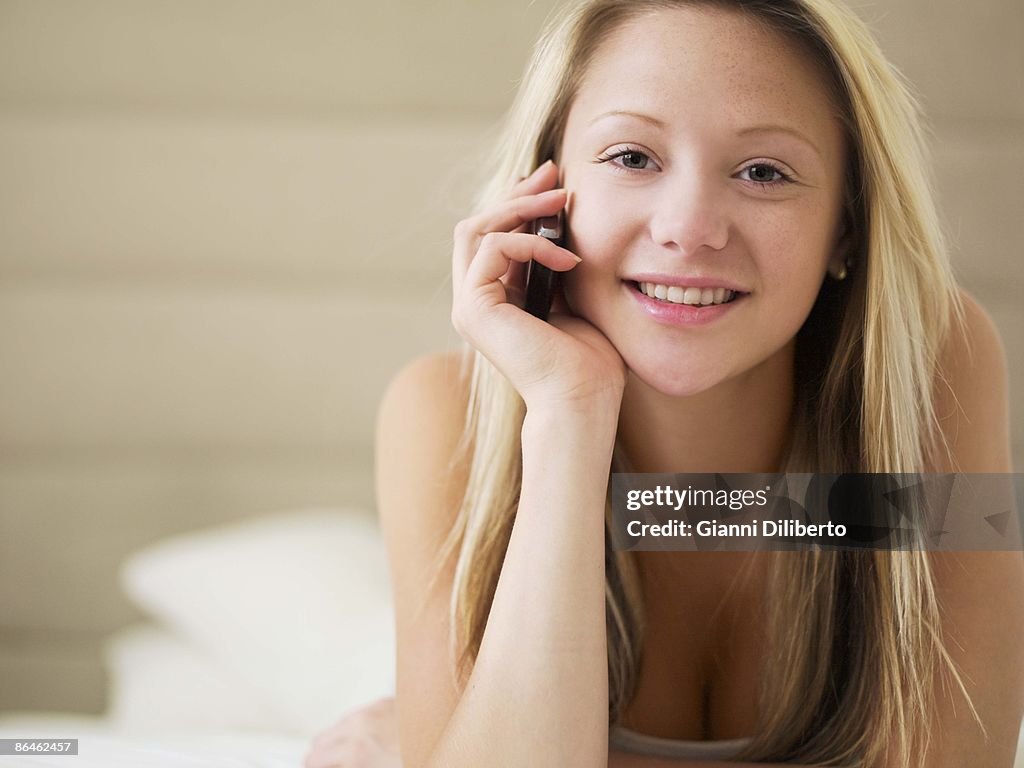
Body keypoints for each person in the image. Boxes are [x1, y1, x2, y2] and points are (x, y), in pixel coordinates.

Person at [305, 0, 1024, 766]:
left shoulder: (934, 363)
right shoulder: (442, 410)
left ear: (845, 228)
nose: (688, 226)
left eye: (763, 171)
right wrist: (568, 414)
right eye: (631, 158)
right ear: (544, 195)